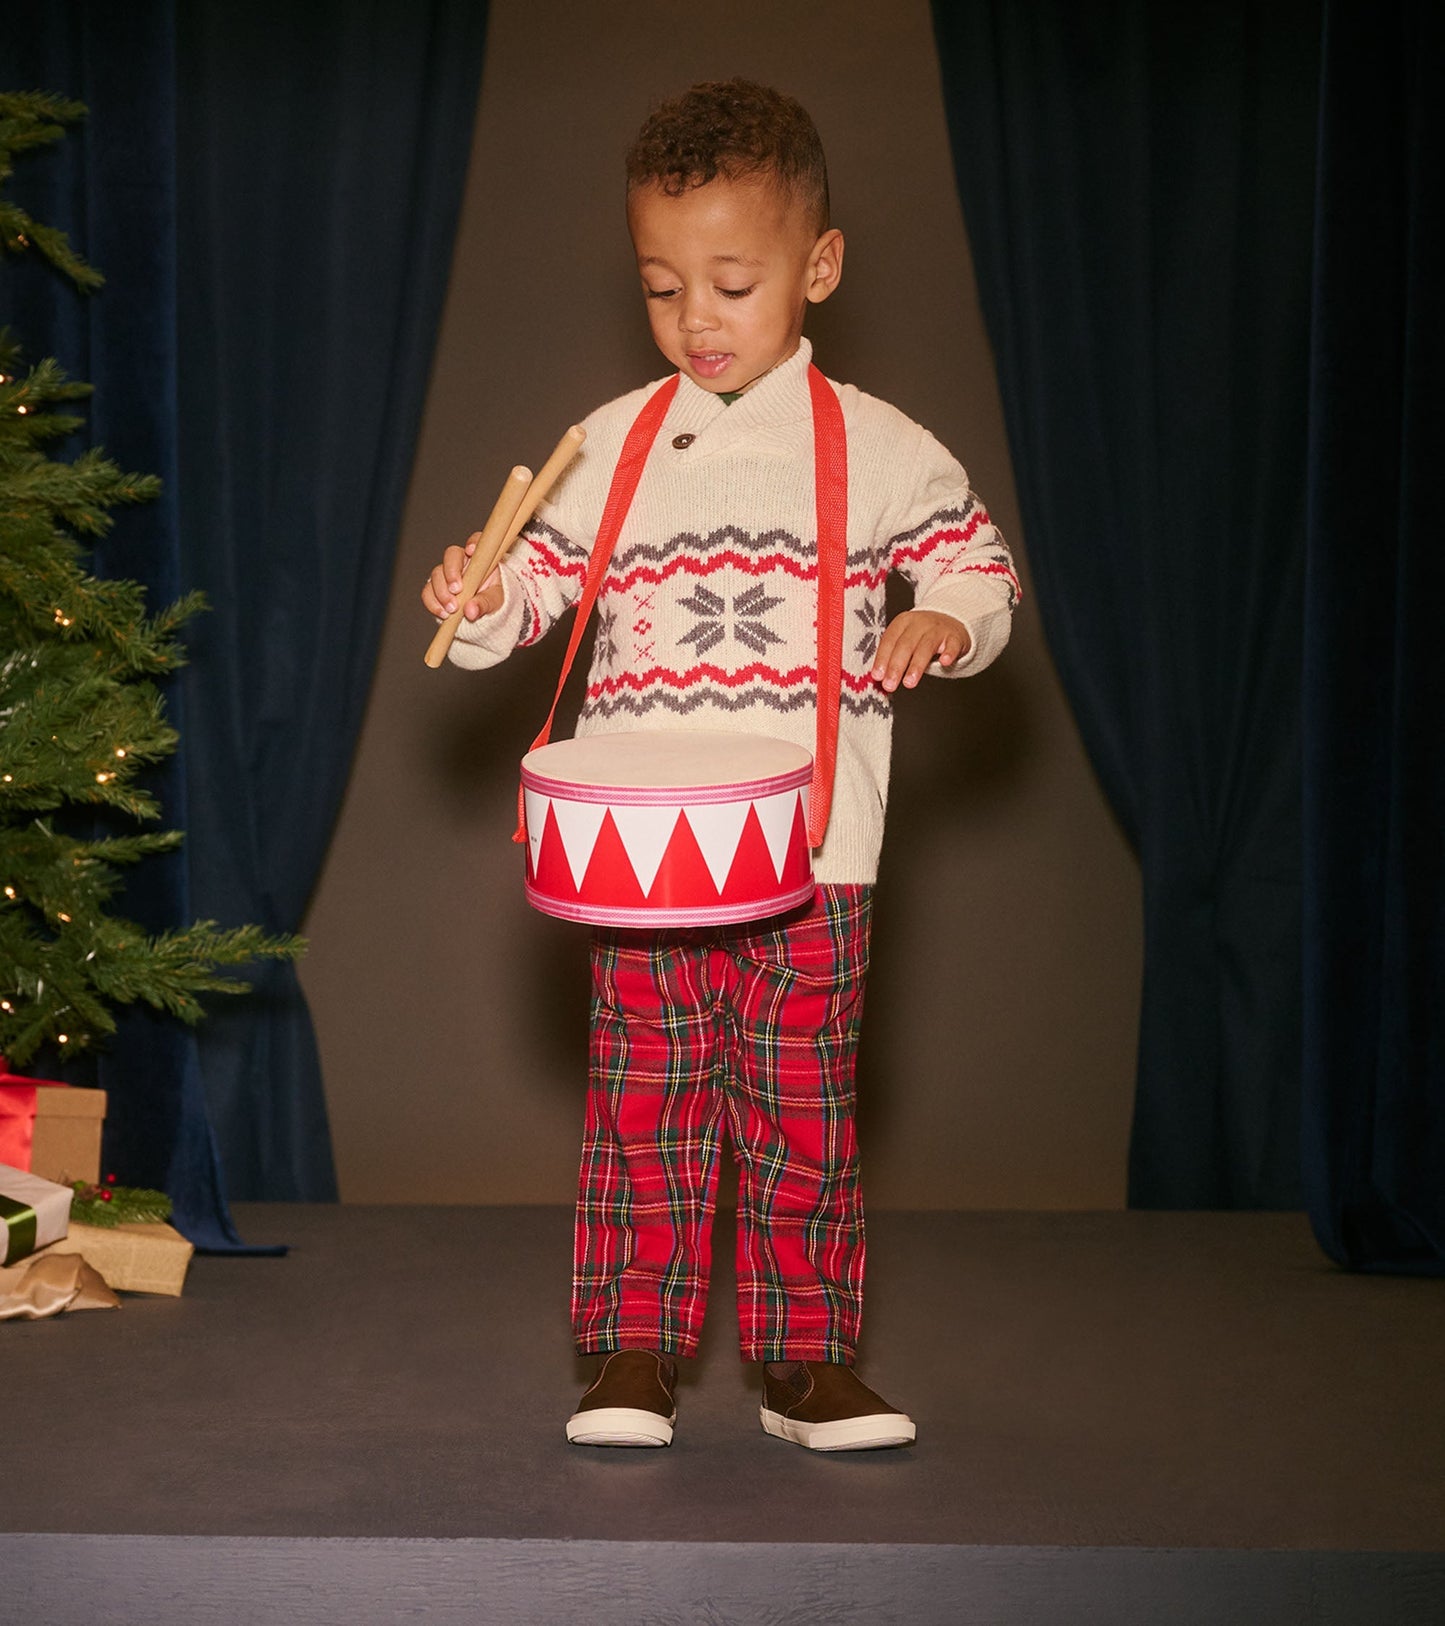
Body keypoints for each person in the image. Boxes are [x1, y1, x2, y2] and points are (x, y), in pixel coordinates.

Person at [423, 80, 1019, 1451]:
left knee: (801, 1109)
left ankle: (804, 1366)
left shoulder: (877, 446)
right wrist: (481, 595)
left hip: (817, 852)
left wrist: (945, 617)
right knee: (645, 1104)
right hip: (646, 857)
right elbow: (536, 591)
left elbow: (977, 564)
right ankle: (630, 1352)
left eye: (733, 282)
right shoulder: (617, 439)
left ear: (817, 267)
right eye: (660, 286)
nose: (696, 317)